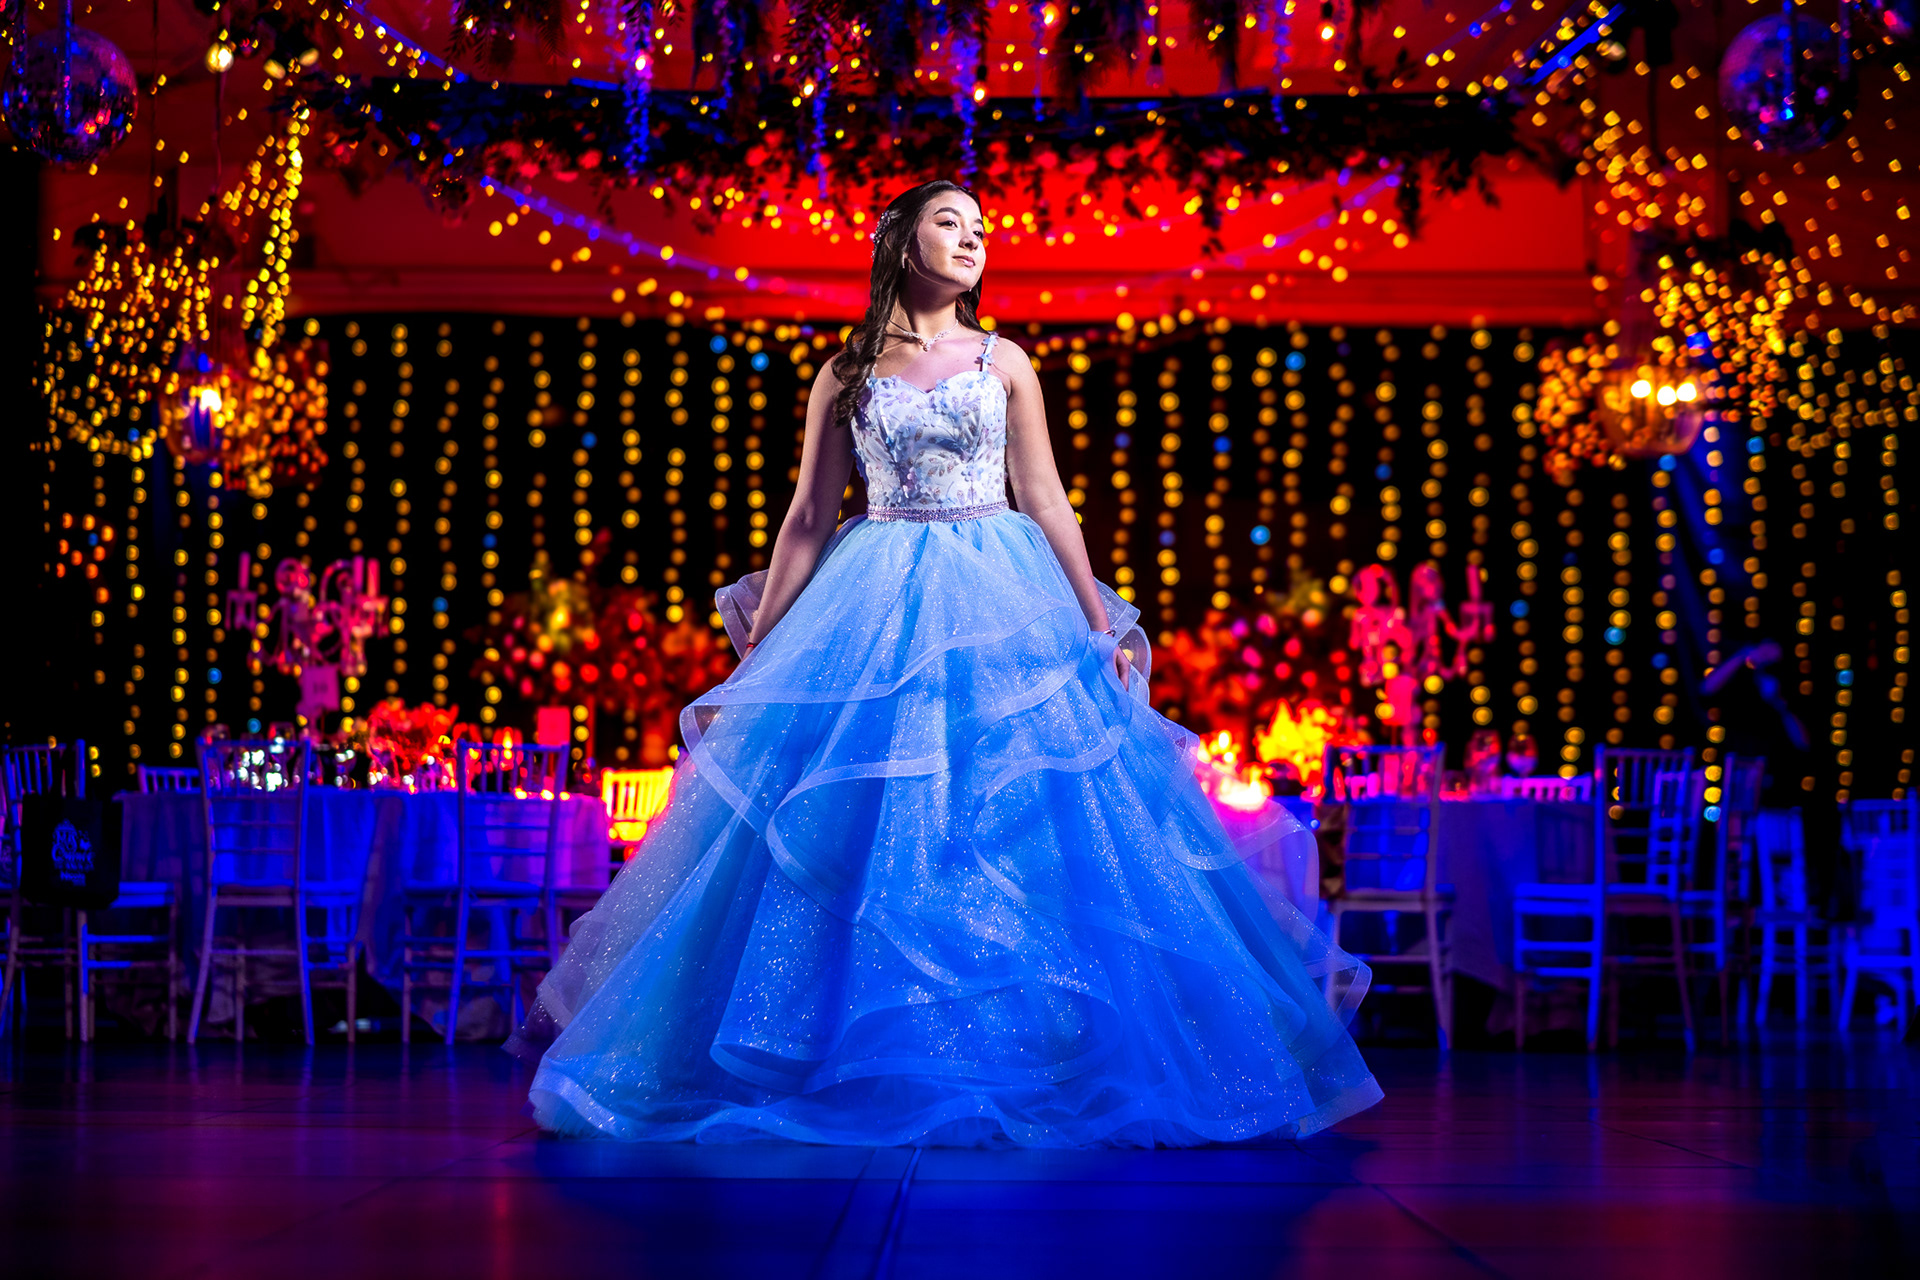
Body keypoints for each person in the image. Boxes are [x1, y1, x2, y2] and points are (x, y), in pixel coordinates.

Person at [510, 179, 1382, 1147]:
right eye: (949, 223)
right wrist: (760, 653)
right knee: (858, 820)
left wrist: (1096, 626)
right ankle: (844, 1054)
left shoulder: (1005, 360)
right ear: (900, 239)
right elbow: (809, 515)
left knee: (1016, 815)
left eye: (979, 228)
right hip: (874, 593)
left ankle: (1026, 1051)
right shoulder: (846, 371)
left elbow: (1046, 497)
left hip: (999, 590)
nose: (972, 241)